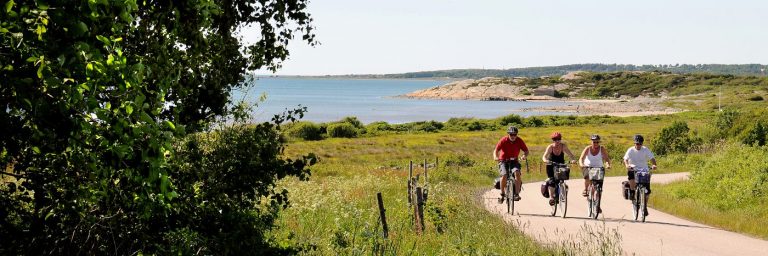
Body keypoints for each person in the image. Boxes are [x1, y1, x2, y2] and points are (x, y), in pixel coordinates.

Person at [623, 134, 657, 216]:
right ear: (634, 143)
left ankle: (644, 206)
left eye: (640, 144)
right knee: (632, 182)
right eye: (637, 144)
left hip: (644, 170)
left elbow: (652, 158)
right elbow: (625, 159)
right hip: (633, 169)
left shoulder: (645, 149)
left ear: (642, 143)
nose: (638, 145)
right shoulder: (630, 150)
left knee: (647, 191)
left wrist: (654, 165)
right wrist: (627, 165)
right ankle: (633, 195)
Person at [493, 126, 529, 203]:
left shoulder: (519, 140)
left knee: (517, 173)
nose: (513, 136)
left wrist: (524, 156)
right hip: (503, 160)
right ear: (508, 134)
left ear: (516, 134)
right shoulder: (503, 140)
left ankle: (516, 194)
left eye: (514, 134)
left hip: (514, 161)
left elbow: (526, 151)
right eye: (511, 134)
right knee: (504, 175)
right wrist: (495, 157)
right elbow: (496, 150)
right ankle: (502, 194)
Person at [541, 132, 577, 206]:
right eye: (555, 139)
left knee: (562, 179)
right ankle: (551, 198)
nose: (557, 141)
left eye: (558, 139)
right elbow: (544, 156)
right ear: (553, 140)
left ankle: (562, 194)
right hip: (551, 165)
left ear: (560, 139)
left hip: (561, 165)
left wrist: (573, 160)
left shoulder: (563, 146)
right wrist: (545, 160)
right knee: (552, 180)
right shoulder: (550, 147)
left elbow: (571, 155)